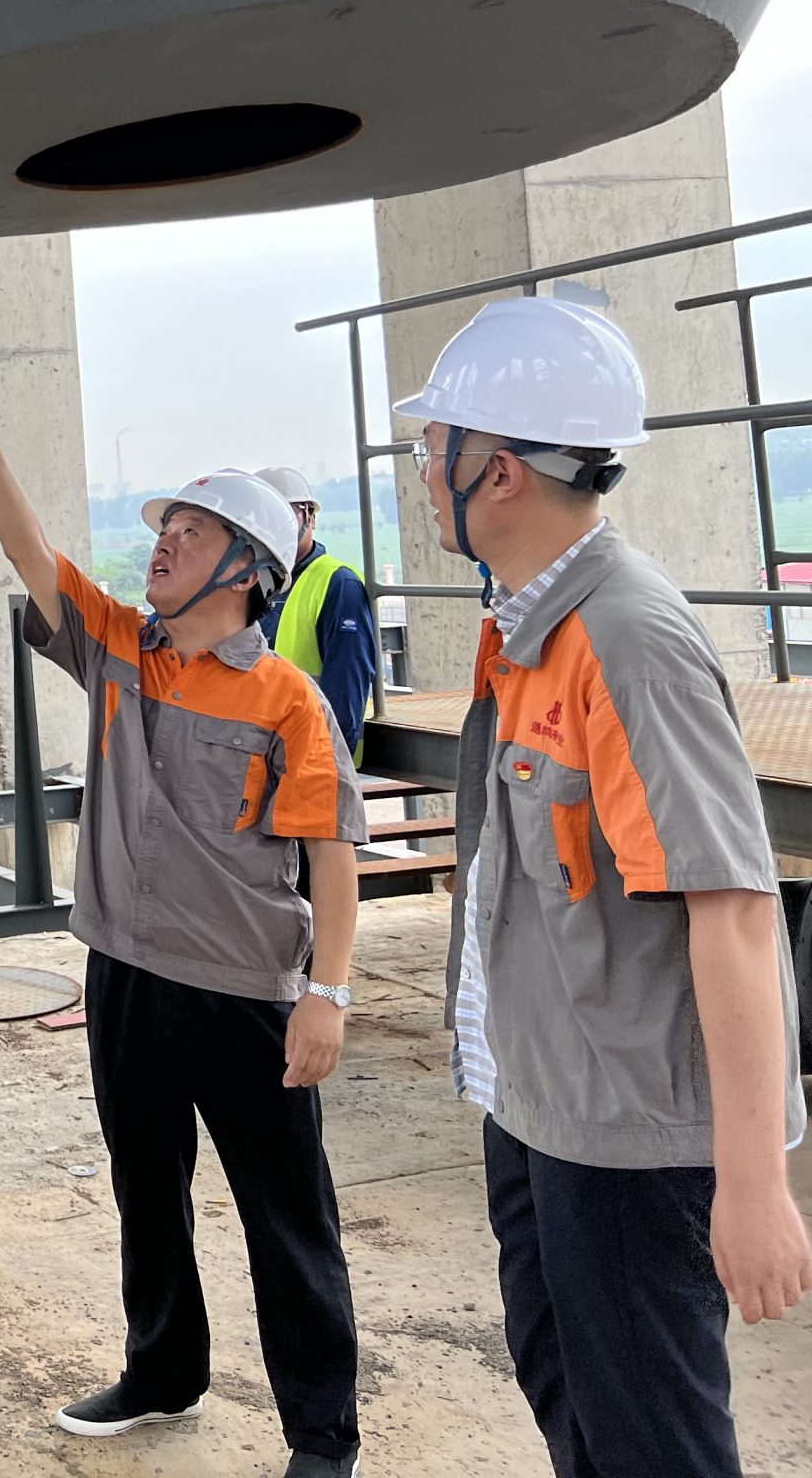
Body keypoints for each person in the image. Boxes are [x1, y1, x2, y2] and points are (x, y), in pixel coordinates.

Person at [0, 324, 365, 1478]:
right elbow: (28, 548)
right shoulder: (120, 649)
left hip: (241, 991)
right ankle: (163, 1369)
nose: (162, 545)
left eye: (189, 532)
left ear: (247, 569)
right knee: (146, 1186)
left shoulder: (288, 702)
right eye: (163, 529)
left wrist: (325, 995)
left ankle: (322, 1435)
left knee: (285, 1214)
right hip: (123, 972)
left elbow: (330, 857)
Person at [396, 296, 808, 1478]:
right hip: (540, 1106)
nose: (421, 474)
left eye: (434, 447)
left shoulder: (623, 638)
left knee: (651, 1447)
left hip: (627, 1145)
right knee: (575, 1410)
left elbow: (733, 911)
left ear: (498, 471)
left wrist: (753, 1185)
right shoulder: (528, 628)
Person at [253, 465, 380, 762]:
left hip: (308, 760)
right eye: (263, 516)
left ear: (310, 517)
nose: (274, 526)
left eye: (284, 514)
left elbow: (345, 694)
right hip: (259, 756)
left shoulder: (338, 583)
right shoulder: (248, 581)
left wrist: (326, 770)